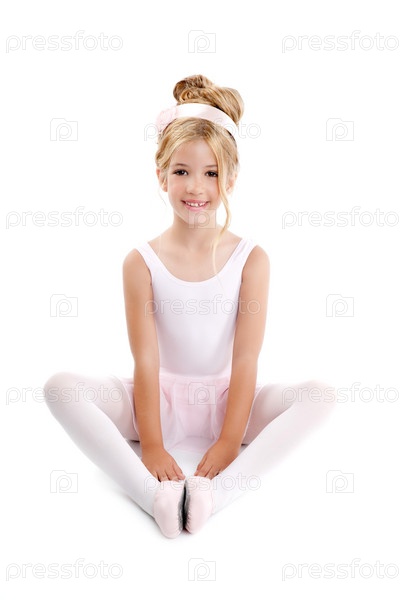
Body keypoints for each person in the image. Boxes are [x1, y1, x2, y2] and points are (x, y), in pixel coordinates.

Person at [43, 74, 336, 539]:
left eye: (211, 173)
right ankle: (151, 495)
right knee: (59, 388)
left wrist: (228, 441)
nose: (196, 187)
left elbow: (246, 358)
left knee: (321, 395)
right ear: (160, 175)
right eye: (181, 171)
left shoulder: (251, 259)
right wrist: (152, 446)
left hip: (228, 401)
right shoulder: (140, 261)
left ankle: (216, 495)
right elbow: (146, 359)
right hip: (156, 400)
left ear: (231, 179)